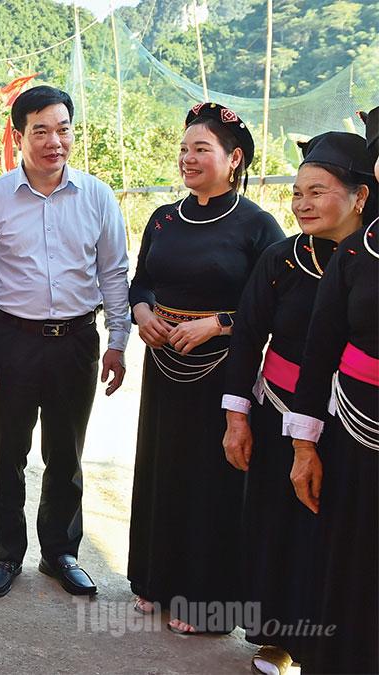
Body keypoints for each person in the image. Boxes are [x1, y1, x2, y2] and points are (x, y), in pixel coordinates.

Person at [127, 102, 284, 633]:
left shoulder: (258, 226)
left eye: (202, 149)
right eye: (183, 149)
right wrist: (144, 312)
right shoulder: (163, 217)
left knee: (210, 479)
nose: (187, 158)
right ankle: (154, 578)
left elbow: (274, 305)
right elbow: (141, 280)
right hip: (163, 365)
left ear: (234, 158)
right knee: (160, 467)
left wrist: (215, 323)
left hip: (223, 371)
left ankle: (207, 600)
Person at [222, 131, 374, 674]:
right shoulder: (280, 259)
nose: (303, 203)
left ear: (359, 196)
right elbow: (247, 340)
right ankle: (279, 637)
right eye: (297, 192)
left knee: (330, 536)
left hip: (352, 423)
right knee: (277, 526)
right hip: (277, 412)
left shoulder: (365, 262)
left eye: (318, 191)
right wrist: (238, 417)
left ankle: (330, 644)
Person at [0, 85, 130, 599]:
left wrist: (118, 340)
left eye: (62, 129)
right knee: (6, 454)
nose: (53, 141)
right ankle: (5, 555)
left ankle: (60, 552)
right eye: (39, 130)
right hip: (13, 338)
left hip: (78, 340)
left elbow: (113, 272)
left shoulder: (98, 195)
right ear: (18, 136)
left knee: (67, 453)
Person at [283, 106, 379, 674]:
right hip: (354, 438)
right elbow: (318, 357)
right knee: (350, 565)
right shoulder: (355, 254)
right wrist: (303, 447)